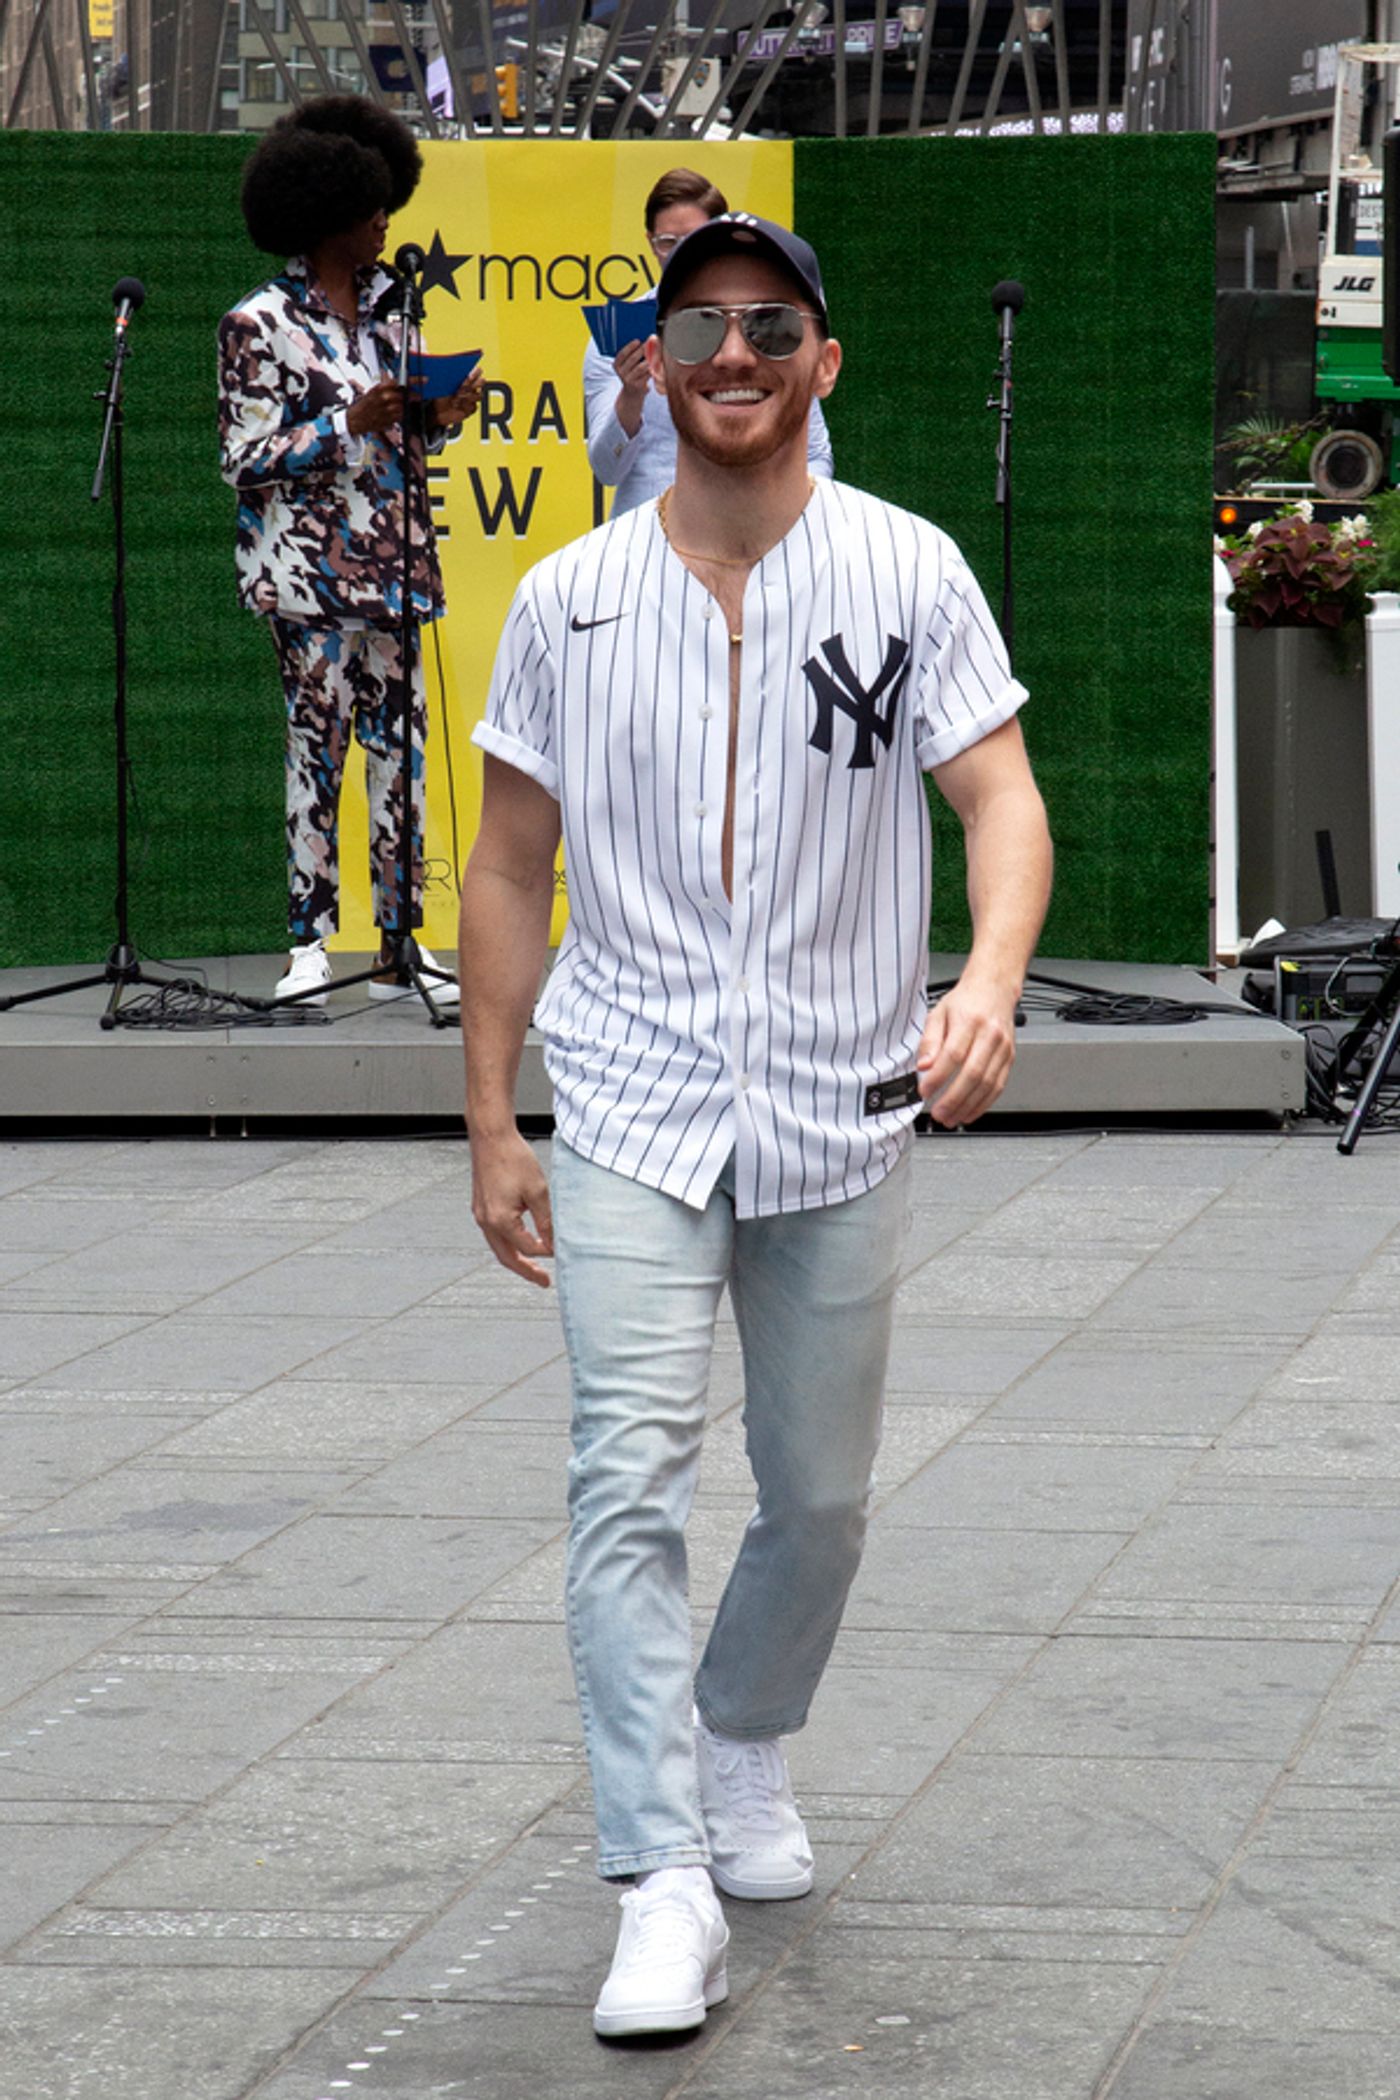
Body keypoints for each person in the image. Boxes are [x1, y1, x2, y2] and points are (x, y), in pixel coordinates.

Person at [458, 215, 1052, 2040]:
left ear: (820, 361)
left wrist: (989, 982)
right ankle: (657, 1879)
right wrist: (491, 1114)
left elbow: (1002, 801)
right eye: (698, 323)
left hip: (842, 1099)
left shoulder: (909, 571)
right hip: (630, 1092)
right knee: (624, 1473)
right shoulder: (567, 598)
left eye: (768, 325)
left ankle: (741, 1741)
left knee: (822, 1497)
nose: (732, 352)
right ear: (653, 354)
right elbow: (504, 866)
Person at [218, 94, 483, 1009]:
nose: (385, 223)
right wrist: (345, 421)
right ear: (327, 213)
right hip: (307, 585)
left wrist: (437, 419)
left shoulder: (391, 312)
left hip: (398, 577)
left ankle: (401, 946)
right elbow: (242, 458)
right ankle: (308, 946)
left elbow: (400, 445)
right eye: (373, 209)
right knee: (316, 758)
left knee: (400, 759)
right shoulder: (258, 323)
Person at [583, 166, 832, 513]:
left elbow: (815, 451)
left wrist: (797, 520)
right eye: (666, 242)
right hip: (648, 534)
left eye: (693, 240)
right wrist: (631, 395)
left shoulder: (768, 327)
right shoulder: (615, 337)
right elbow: (607, 469)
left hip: (758, 529)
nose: (676, 254)